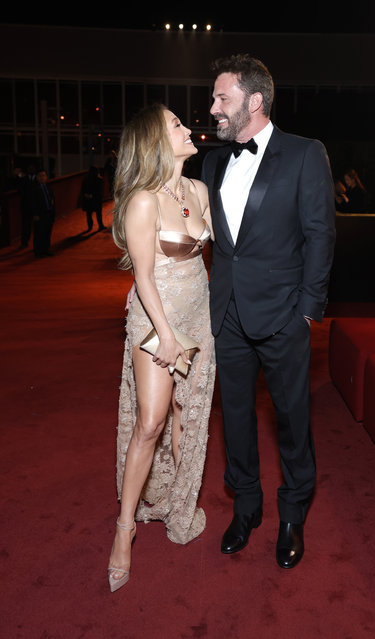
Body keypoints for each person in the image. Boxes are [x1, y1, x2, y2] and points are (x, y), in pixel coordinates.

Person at [201, 54, 336, 569]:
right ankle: (247, 506)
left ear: (254, 102)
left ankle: (292, 513)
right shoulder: (213, 162)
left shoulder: (305, 154)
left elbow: (320, 234)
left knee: (292, 420)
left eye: (222, 98)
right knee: (234, 417)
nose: (213, 107)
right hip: (228, 315)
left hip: (283, 314)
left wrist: (307, 310)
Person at [108, 104, 216, 592]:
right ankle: (124, 529)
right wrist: (167, 336)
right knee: (151, 421)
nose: (188, 128)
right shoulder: (143, 201)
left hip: (199, 314)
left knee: (184, 414)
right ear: (155, 140)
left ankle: (178, 504)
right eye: (176, 124)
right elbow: (144, 275)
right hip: (156, 320)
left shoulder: (198, 190)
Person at [32, 169, 55, 257]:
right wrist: (35, 214)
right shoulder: (34, 189)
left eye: (44, 175)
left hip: (48, 213)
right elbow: (32, 203)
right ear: (37, 177)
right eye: (40, 176)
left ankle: (46, 249)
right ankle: (38, 251)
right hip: (40, 214)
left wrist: (53, 213)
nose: (42, 177)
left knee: (47, 232)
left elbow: (52, 201)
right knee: (39, 233)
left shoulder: (49, 188)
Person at [80, 166, 106, 231]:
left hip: (88, 199)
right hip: (96, 199)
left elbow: (83, 189)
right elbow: (100, 190)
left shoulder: (86, 179)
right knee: (98, 213)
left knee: (89, 214)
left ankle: (90, 227)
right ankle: (100, 226)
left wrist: (86, 195)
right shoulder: (99, 179)